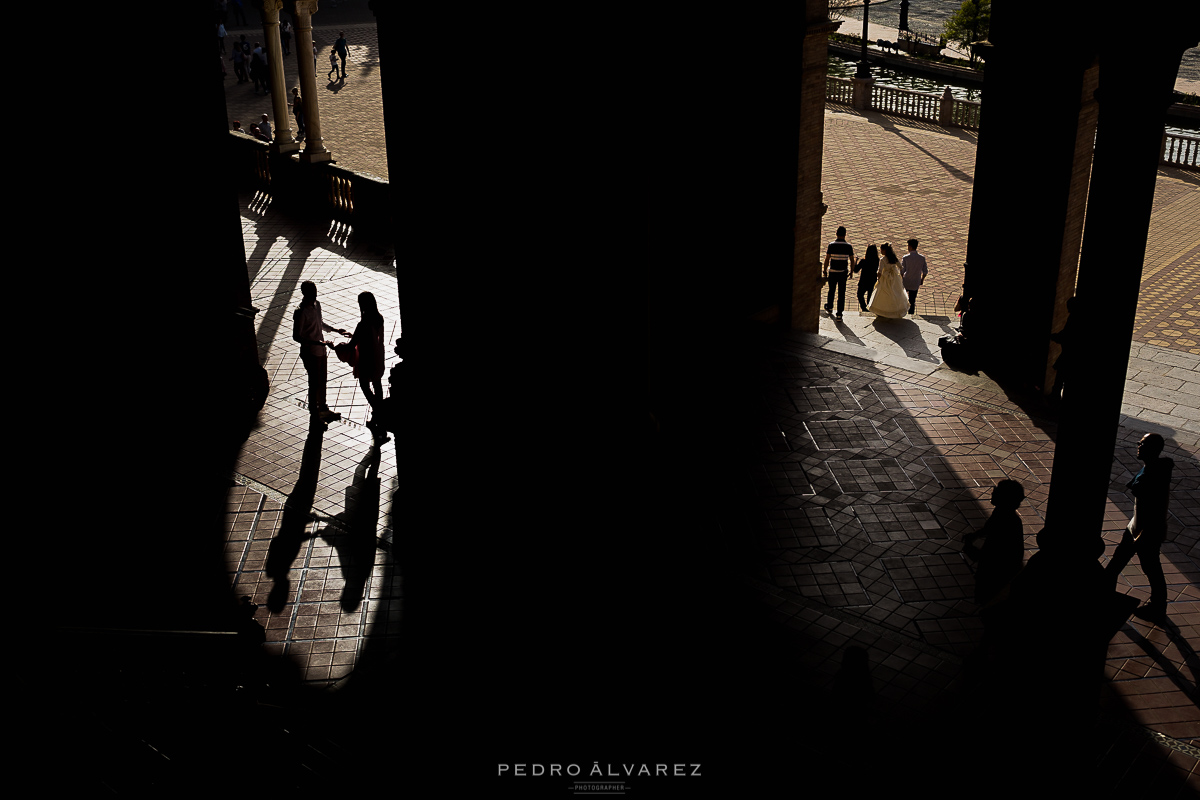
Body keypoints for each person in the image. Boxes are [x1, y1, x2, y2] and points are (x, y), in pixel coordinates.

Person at [1106, 433, 1173, 619]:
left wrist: (1144, 532)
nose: (1138, 446)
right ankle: (1104, 589)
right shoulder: (1153, 469)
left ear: (1152, 449)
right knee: (1121, 562)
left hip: (1146, 531)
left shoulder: (1153, 476)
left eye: (1142, 444)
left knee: (1150, 567)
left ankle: (1158, 606)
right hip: (1135, 527)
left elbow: (1155, 509)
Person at [963, 480, 1026, 608]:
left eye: (996, 492)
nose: (992, 493)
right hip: (1001, 565)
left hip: (999, 569)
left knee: (992, 597)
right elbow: (988, 529)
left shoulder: (1006, 520)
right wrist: (975, 536)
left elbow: (995, 552)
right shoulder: (1002, 513)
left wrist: (973, 550)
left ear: (1004, 498)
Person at [336, 292, 388, 442]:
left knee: (365, 386)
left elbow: (352, 345)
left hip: (366, 359)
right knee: (377, 384)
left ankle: (378, 413)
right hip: (378, 356)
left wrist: (338, 346)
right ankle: (376, 416)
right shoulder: (379, 318)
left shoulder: (362, 323)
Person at [293, 282, 341, 424]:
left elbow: (320, 323)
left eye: (315, 292)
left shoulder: (317, 305)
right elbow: (297, 336)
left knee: (322, 381)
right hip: (310, 353)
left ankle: (323, 409)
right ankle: (314, 415)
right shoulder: (300, 311)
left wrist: (336, 330)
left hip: (321, 350)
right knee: (314, 384)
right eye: (312, 293)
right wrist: (316, 343)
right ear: (305, 294)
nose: (315, 295)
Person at [823, 226, 856, 319]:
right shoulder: (848, 246)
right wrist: (852, 271)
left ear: (836, 233)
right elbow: (852, 260)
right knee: (841, 293)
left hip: (832, 272)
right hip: (843, 273)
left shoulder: (831, 245)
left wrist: (824, 270)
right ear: (845, 234)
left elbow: (827, 259)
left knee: (831, 290)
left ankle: (829, 307)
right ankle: (839, 313)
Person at [867, 242, 908, 318]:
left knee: (883, 293)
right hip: (894, 278)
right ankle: (894, 310)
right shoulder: (894, 258)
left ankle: (883, 311)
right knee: (895, 293)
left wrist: (878, 279)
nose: (881, 251)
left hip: (885, 278)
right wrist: (900, 275)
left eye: (881, 250)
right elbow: (901, 267)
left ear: (885, 250)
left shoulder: (883, 259)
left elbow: (880, 271)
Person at [901, 238, 928, 315]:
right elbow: (925, 271)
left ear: (910, 246)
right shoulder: (922, 258)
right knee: (912, 301)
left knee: (903, 298)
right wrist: (922, 279)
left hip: (906, 281)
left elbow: (902, 271)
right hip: (916, 282)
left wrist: (901, 278)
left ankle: (903, 312)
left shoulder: (905, 257)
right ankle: (911, 314)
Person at [854, 244, 880, 313]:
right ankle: (869, 309)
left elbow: (856, 270)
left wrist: (855, 261)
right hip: (873, 281)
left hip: (863, 281)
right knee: (870, 297)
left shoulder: (864, 261)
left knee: (860, 294)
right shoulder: (877, 261)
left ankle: (864, 308)